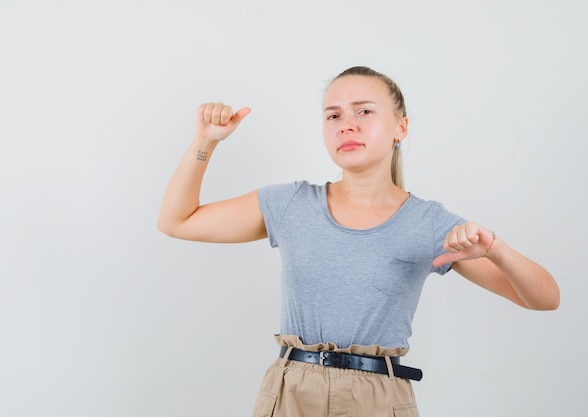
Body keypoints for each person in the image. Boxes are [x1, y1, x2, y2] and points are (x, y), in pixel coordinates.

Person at [157, 66, 560, 417]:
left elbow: (545, 298)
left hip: (378, 397)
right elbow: (177, 221)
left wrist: (496, 250)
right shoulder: (290, 204)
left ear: (401, 127)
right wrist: (205, 142)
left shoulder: (428, 223)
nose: (346, 124)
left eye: (364, 111)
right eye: (333, 115)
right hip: (291, 391)